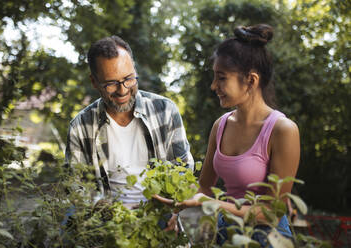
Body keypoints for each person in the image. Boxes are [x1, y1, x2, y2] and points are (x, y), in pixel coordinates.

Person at [157, 24, 300, 245]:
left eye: (221, 78)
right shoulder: (221, 126)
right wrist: (174, 202)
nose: (214, 86)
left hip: (267, 239)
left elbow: (273, 213)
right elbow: (204, 187)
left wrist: (214, 204)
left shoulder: (283, 130)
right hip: (226, 234)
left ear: (251, 80)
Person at [65, 36, 194, 208]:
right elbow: (74, 187)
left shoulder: (165, 111)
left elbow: (184, 170)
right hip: (105, 223)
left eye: (129, 79)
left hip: (159, 216)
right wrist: (108, 211)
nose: (123, 90)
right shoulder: (80, 127)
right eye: (111, 84)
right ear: (94, 82)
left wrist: (174, 208)